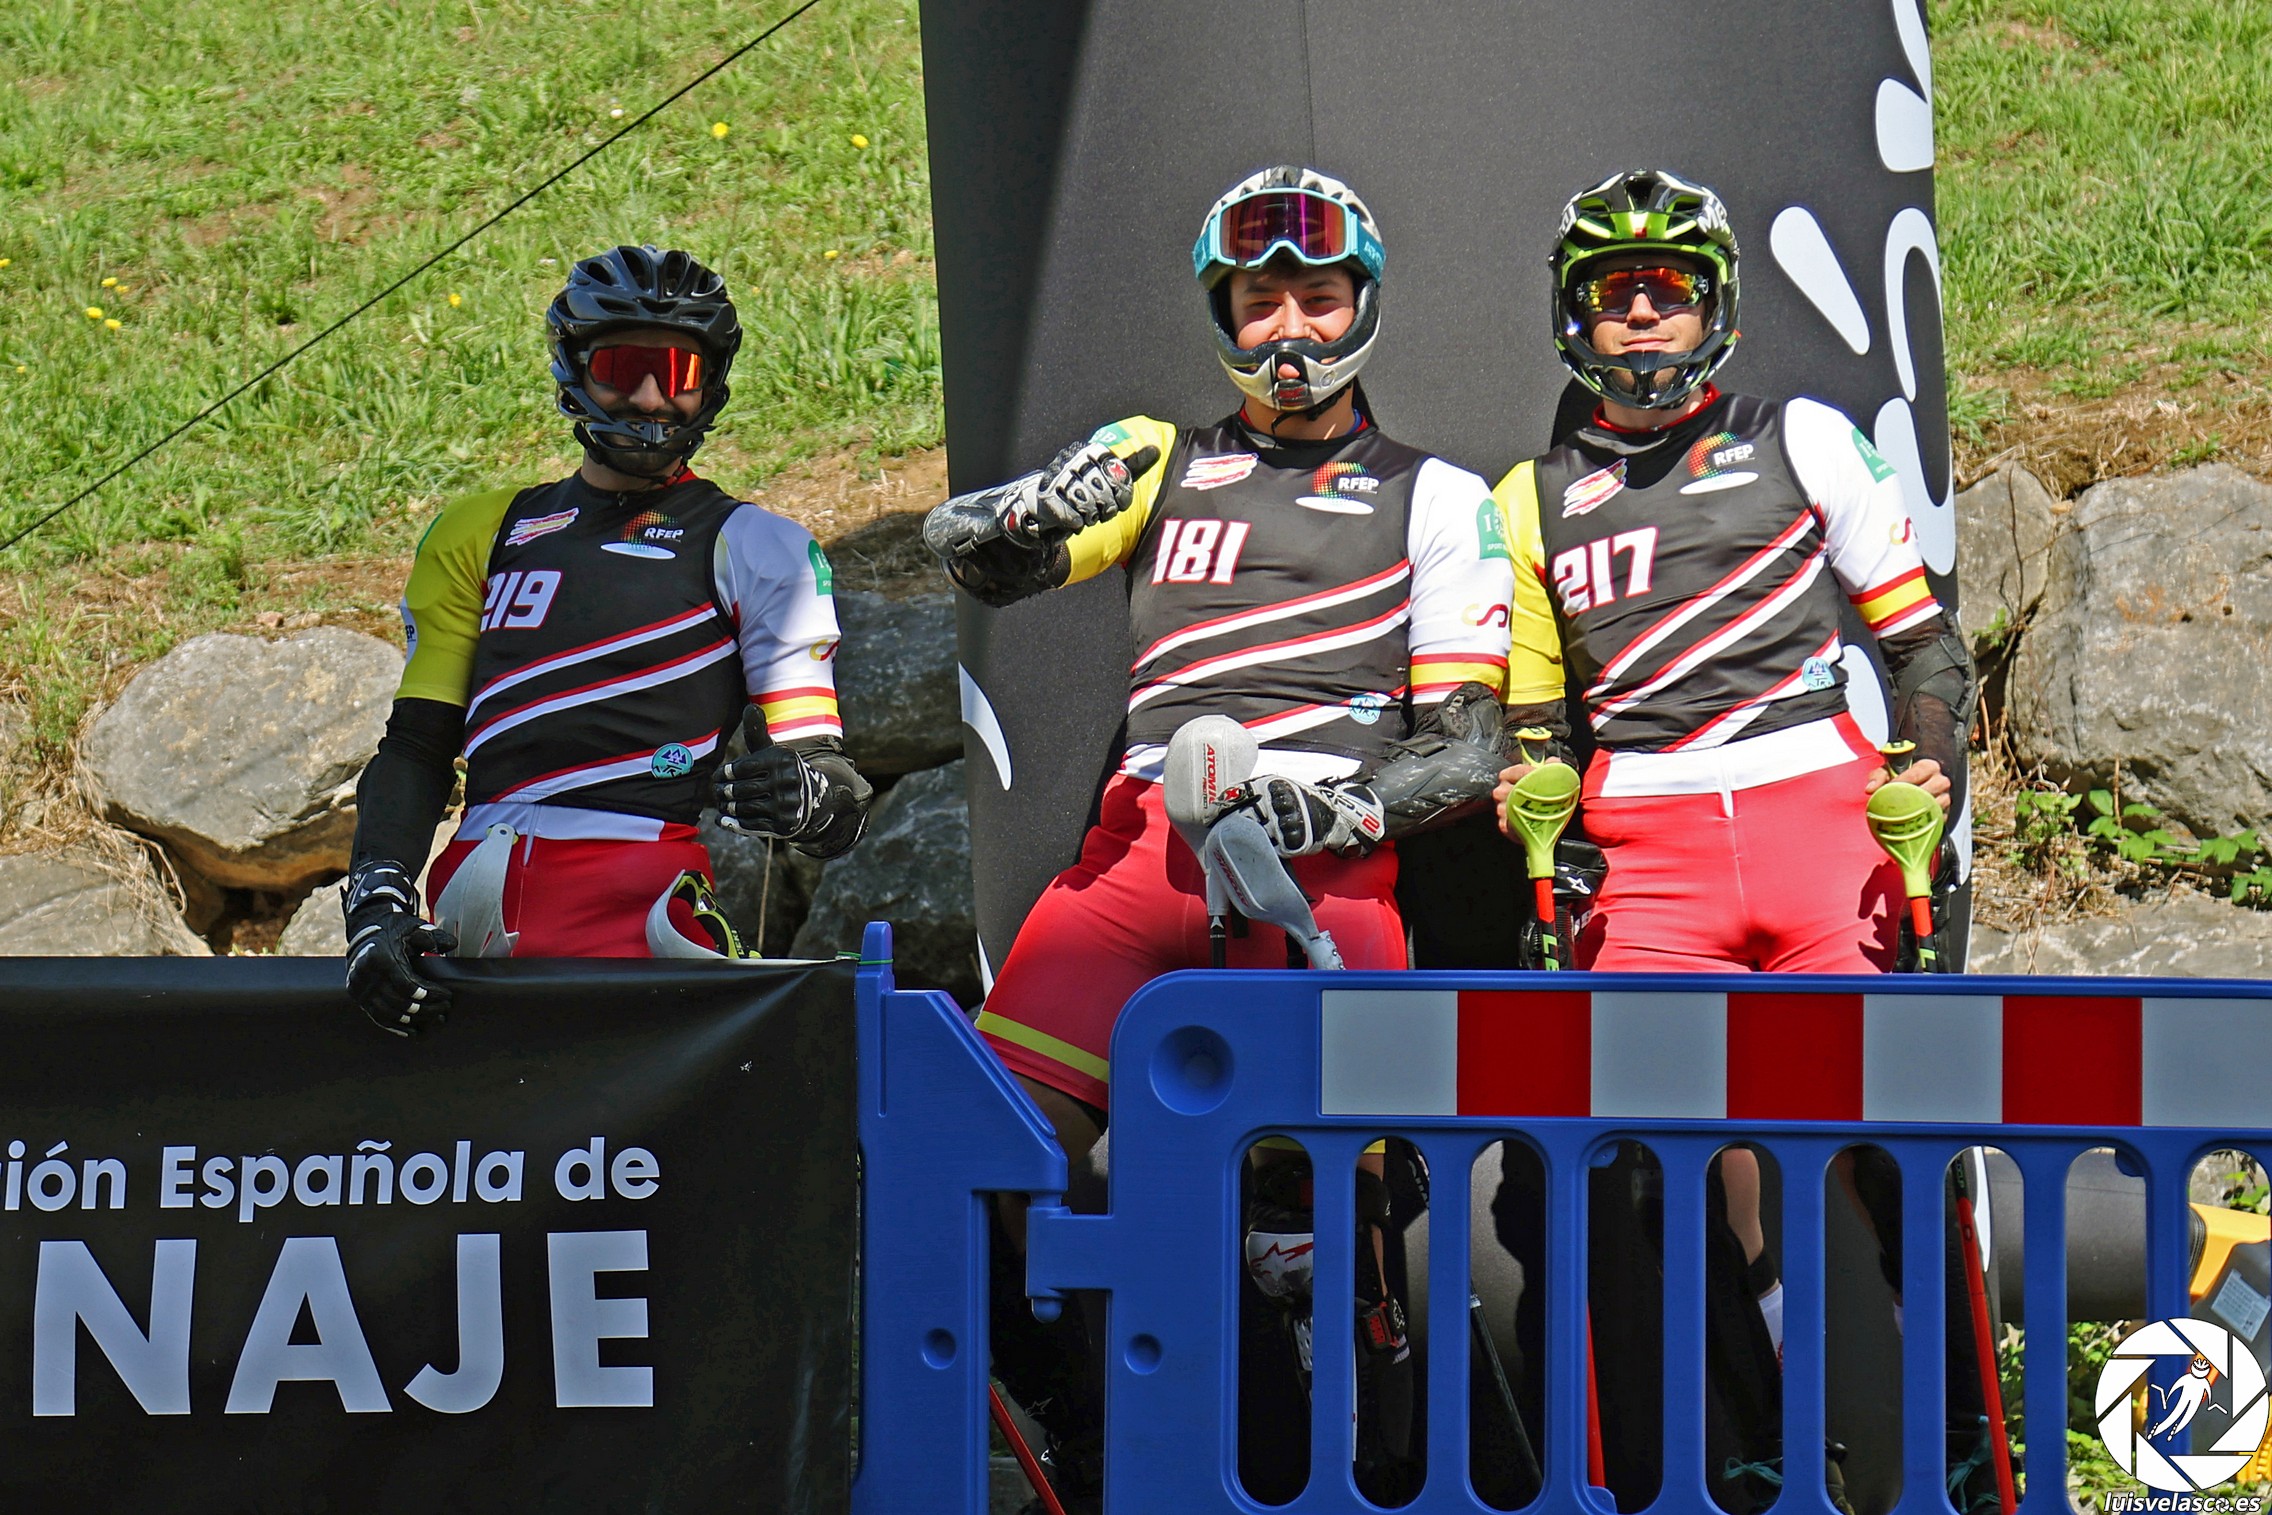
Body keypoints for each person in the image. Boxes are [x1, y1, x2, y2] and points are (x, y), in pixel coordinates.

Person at [924, 166, 1518, 1507]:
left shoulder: (1438, 494)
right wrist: (1018, 518)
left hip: (1323, 866)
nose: (1290, 328)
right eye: (1260, 301)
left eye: (1318, 297)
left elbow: (1472, 748)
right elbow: (972, 556)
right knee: (982, 1145)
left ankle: (1368, 1455)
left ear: (1364, 302)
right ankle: (1081, 1438)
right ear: (1223, 314)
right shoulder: (1157, 457)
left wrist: (1340, 808)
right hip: (1140, 855)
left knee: (1330, 1206)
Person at [1488, 169, 1983, 1510]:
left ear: (1718, 308)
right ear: (1573, 317)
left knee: (1893, 1143)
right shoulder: (1527, 496)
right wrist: (1530, 789)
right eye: (1615, 292)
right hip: (1646, 850)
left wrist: (1929, 768)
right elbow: (1529, 717)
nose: (1644, 314)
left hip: (1822, 820)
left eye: (1671, 288)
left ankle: (1966, 1451)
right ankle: (1754, 1451)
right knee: (1654, 1162)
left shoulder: (1803, 434)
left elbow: (1926, 646)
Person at [342, 244, 874, 1034]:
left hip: (645, 921)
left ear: (712, 384)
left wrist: (812, 798)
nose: (652, 397)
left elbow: (830, 781)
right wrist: (377, 902)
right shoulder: (475, 532)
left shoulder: (763, 547)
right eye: (624, 368)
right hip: (469, 926)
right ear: (575, 367)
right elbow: (417, 746)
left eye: (679, 373)